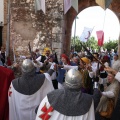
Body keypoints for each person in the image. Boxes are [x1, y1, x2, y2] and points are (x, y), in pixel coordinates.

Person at [35, 69, 101, 120]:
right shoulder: (88, 100)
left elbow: (37, 110)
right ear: (81, 84)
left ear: (65, 82)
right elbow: (97, 96)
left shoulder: (52, 96)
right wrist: (95, 84)